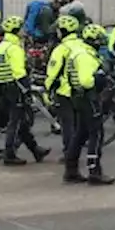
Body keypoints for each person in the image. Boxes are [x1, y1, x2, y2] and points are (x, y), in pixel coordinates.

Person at [0, 16, 50, 165]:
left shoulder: (0, 47)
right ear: (16, 30)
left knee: (22, 121)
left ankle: (35, 150)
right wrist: (26, 89)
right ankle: (9, 154)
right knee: (15, 121)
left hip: (2, 86)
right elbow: (19, 72)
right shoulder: (14, 48)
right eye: (22, 28)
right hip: (15, 87)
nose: (24, 31)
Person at [64, 23, 115, 185]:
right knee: (96, 134)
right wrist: (100, 78)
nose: (101, 43)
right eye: (99, 40)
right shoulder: (85, 56)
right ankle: (95, 171)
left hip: (77, 97)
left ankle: (71, 170)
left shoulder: (76, 52)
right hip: (88, 98)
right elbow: (87, 81)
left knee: (80, 134)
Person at [44, 15, 83, 158]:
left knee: (67, 124)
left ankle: (69, 153)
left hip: (65, 91)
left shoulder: (61, 49)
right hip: (83, 89)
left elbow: (52, 72)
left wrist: (47, 89)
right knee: (80, 122)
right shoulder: (83, 45)